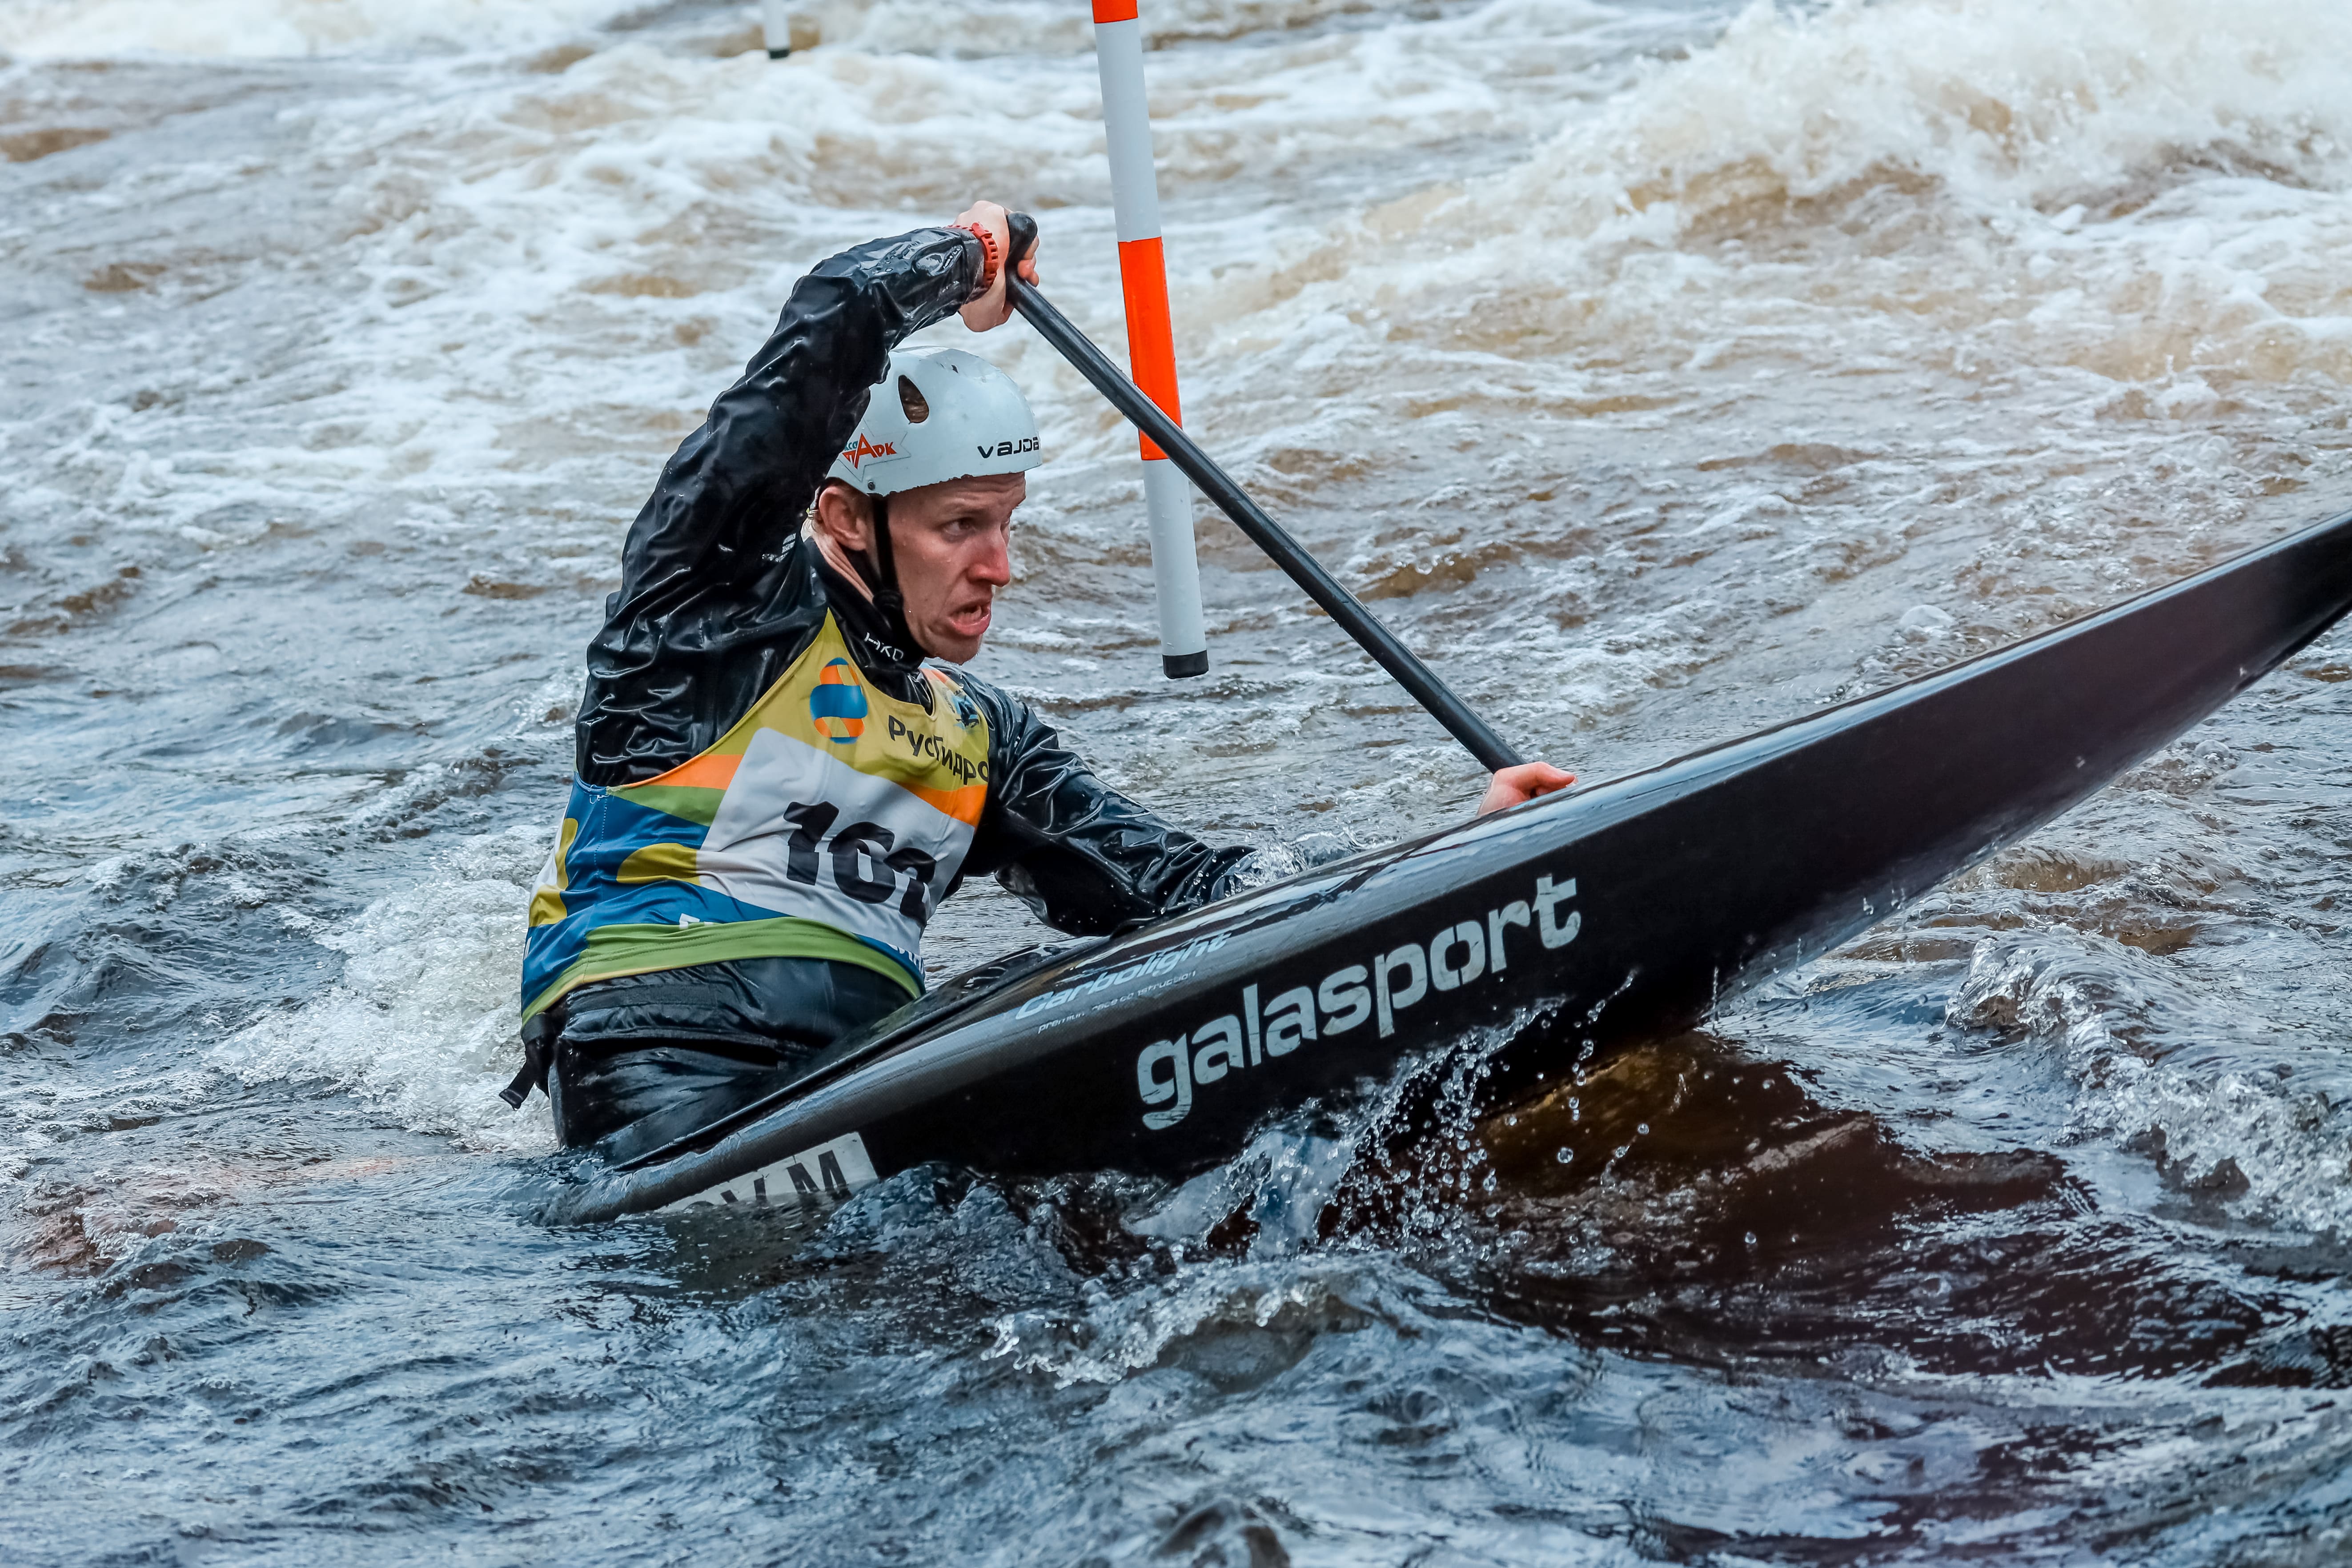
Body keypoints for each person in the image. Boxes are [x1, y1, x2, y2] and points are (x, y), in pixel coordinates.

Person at [507, 200, 1576, 1155]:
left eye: (1006, 523)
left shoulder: (981, 737)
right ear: (845, 519)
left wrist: (1453, 858)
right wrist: (963, 257)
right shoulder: (707, 618)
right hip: (661, 1069)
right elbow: (828, 322)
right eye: (959, 526)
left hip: (861, 1066)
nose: (998, 567)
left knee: (1054, 987)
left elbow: (1184, 888)